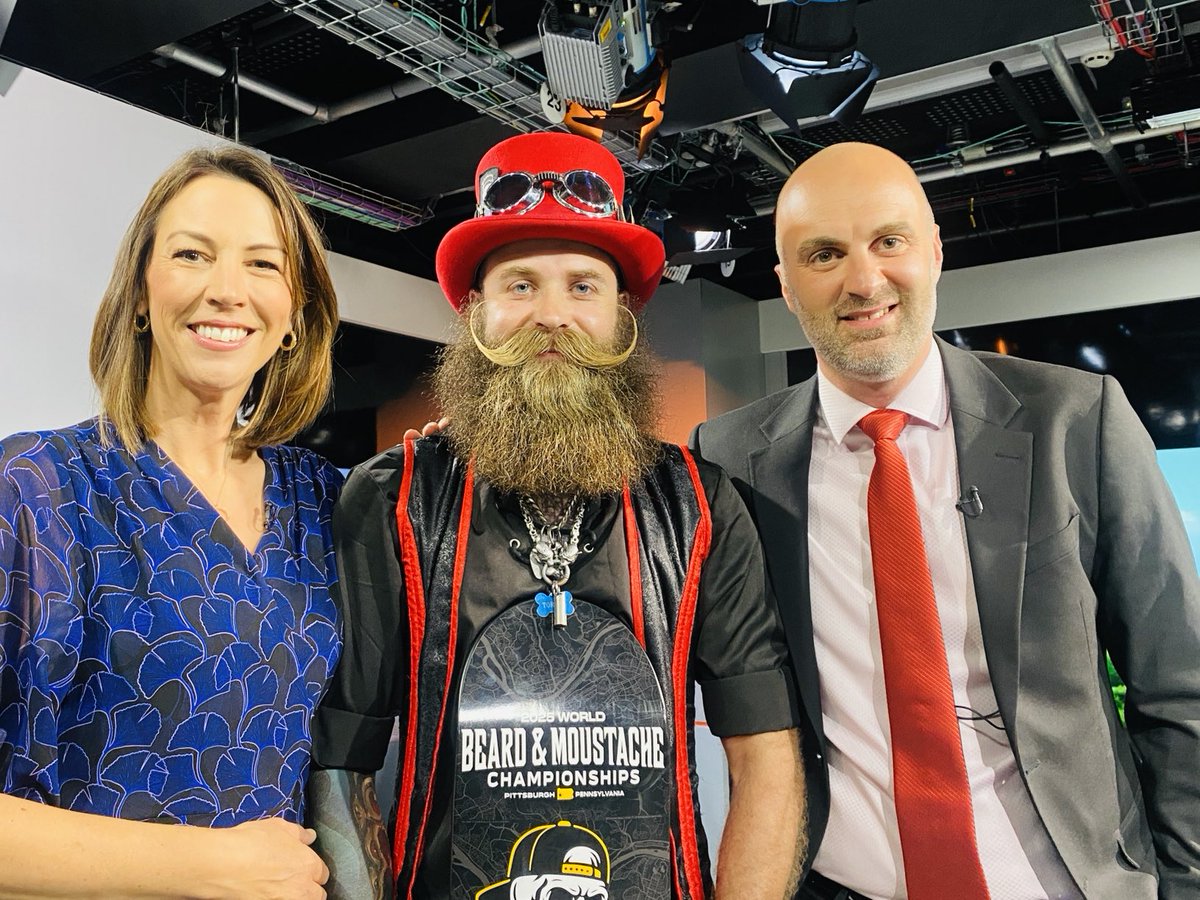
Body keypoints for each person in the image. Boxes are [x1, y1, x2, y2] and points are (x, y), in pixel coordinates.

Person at [692, 141, 1200, 899]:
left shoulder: (1075, 418)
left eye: (888, 241)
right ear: (787, 288)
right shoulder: (727, 456)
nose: (863, 281)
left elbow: (1178, 682)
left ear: (933, 251)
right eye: (823, 254)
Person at [307, 131, 805, 900]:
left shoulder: (703, 508)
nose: (552, 315)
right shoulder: (392, 501)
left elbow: (764, 751)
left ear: (621, 318)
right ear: (475, 312)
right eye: (519, 286)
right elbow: (344, 759)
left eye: (582, 286)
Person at [0, 145, 342, 898]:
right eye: (193, 254)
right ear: (142, 296)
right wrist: (215, 869)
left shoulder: (326, 503)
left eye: (262, 265)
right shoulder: (36, 492)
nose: (227, 291)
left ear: (294, 315)